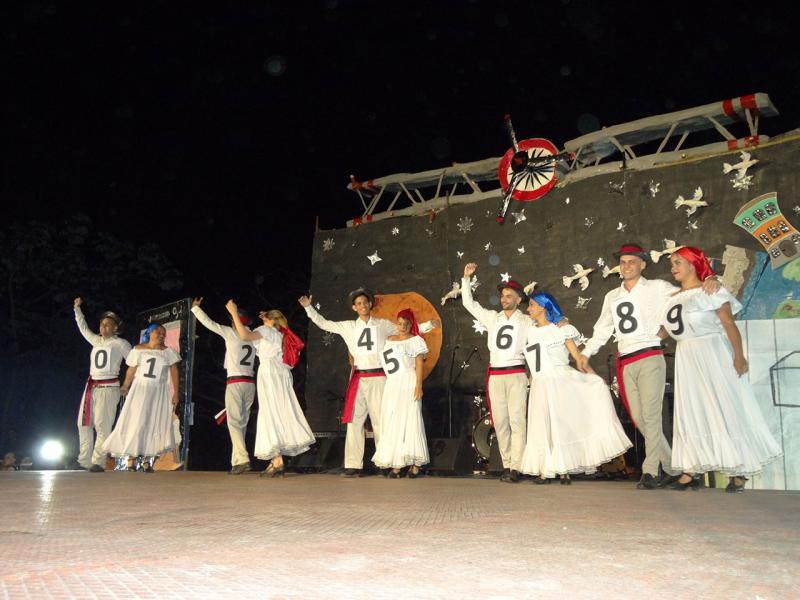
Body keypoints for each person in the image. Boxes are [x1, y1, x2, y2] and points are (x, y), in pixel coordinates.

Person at [575, 244, 719, 490]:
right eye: (623, 262)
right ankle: (674, 468)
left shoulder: (658, 288)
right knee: (641, 419)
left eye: (632, 261)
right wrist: (585, 354)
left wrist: (711, 278)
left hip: (650, 355)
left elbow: (688, 295)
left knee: (651, 416)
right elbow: (602, 330)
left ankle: (650, 471)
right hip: (626, 359)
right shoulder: (613, 296)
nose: (627, 266)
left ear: (643, 265)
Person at [661, 247, 781, 491]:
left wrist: (739, 356)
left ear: (694, 265)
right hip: (686, 355)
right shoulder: (672, 297)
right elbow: (666, 330)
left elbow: (728, 323)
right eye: (672, 263)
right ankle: (690, 469)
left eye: (678, 262)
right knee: (692, 409)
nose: (673, 267)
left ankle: (739, 468)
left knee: (725, 405)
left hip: (712, 352)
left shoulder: (711, 291)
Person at [299, 289, 436, 477]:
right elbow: (324, 324)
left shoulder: (383, 325)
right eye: (358, 304)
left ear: (370, 304)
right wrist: (308, 308)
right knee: (354, 421)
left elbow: (407, 330)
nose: (362, 306)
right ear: (354, 307)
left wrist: (429, 325)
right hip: (358, 376)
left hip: (379, 377)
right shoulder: (348, 326)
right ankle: (353, 464)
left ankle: (384, 462)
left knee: (382, 420)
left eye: (365, 302)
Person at [520, 291, 632, 484]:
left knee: (560, 424)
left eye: (531, 304)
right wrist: (531, 380)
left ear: (542, 307)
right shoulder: (531, 331)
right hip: (540, 383)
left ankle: (563, 470)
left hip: (559, 380)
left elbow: (577, 357)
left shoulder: (562, 329)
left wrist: (593, 376)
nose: (528, 309)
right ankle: (546, 469)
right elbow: (534, 359)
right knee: (542, 425)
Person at [226, 300, 314, 478]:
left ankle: (277, 460)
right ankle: (277, 459)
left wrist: (234, 313)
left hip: (269, 373)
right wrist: (267, 319)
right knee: (279, 413)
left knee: (270, 414)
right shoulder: (280, 334)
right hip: (281, 374)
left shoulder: (266, 330)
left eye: (265, 317)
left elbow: (244, 336)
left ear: (270, 320)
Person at [461, 263, 530, 483]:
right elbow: (468, 303)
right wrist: (465, 279)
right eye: (502, 295)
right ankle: (508, 464)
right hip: (496, 375)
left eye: (509, 296)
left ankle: (518, 466)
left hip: (516, 373)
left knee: (518, 420)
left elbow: (542, 336)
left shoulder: (528, 321)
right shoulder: (493, 318)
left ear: (519, 299)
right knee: (500, 422)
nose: (504, 299)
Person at [102, 323, 181, 472]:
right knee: (136, 420)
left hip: (158, 391)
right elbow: (131, 369)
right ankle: (131, 459)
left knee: (153, 422)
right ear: (149, 333)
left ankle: (147, 460)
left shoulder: (168, 352)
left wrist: (176, 393)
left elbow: (174, 372)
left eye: (163, 333)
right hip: (140, 389)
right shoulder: (139, 349)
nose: (161, 335)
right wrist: (125, 385)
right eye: (158, 331)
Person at [191, 297, 256, 474]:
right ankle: (237, 462)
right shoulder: (254, 336)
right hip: (250, 383)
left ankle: (242, 459)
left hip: (235, 382)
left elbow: (209, 323)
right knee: (241, 423)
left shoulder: (231, 332)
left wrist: (196, 309)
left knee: (234, 423)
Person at [72, 297, 132, 472]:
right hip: (91, 387)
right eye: (101, 324)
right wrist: (77, 310)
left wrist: (127, 384)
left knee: (102, 425)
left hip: (109, 387)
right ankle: (84, 460)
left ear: (115, 328)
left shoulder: (121, 344)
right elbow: (83, 328)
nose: (103, 327)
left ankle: (98, 461)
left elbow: (134, 362)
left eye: (107, 325)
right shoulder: (96, 341)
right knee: (83, 423)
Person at [372, 309, 430, 478]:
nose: (402, 327)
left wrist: (418, 385)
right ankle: (397, 464)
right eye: (400, 323)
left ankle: (414, 463)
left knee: (411, 420)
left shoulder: (416, 340)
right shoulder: (389, 340)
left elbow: (419, 363)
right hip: (393, 384)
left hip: (409, 382)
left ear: (411, 324)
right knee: (393, 421)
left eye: (406, 324)